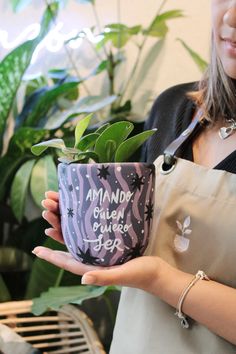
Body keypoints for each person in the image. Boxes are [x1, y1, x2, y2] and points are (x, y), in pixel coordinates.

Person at [32, 1, 236, 352]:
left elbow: (157, 272)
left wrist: (159, 279)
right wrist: (102, 234)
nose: (231, 17)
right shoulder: (175, 109)